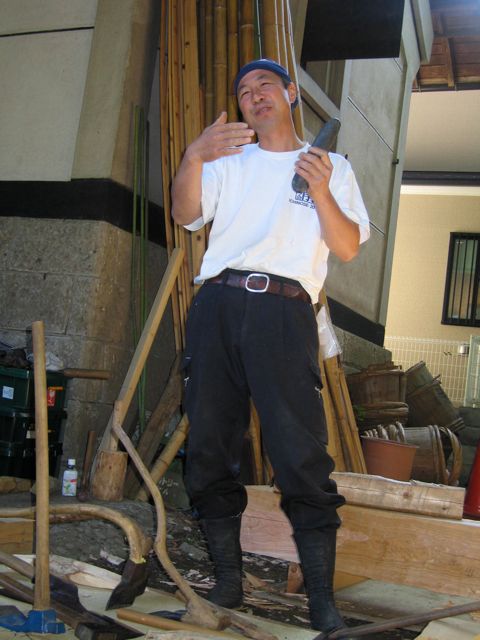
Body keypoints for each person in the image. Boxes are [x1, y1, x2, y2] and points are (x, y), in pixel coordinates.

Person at [171, 58, 369, 637]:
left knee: (300, 454)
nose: (254, 96)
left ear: (290, 94)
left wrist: (320, 189)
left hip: (285, 313)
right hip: (218, 305)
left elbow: (348, 248)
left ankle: (322, 604)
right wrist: (194, 155)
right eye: (243, 92)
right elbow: (185, 214)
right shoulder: (227, 161)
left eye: (264, 86)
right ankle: (228, 583)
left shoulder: (332, 166)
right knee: (209, 446)